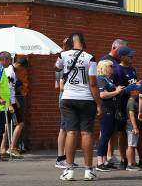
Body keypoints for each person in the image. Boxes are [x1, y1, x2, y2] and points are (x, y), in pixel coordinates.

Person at [55, 32, 101, 181]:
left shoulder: (63, 55)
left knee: (71, 133)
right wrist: (99, 104)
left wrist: (63, 48)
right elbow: (93, 83)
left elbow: (56, 68)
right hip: (86, 99)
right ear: (83, 41)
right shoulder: (90, 57)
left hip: (68, 98)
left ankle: (69, 170)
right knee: (86, 134)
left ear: (70, 42)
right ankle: (89, 170)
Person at [112, 46, 139, 169]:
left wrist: (138, 85)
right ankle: (123, 159)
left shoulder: (133, 69)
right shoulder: (117, 70)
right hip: (122, 105)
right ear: (122, 57)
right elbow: (117, 90)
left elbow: (134, 86)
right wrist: (132, 87)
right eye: (129, 56)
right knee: (122, 133)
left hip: (133, 104)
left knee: (134, 132)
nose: (132, 57)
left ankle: (133, 160)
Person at [96, 60, 125, 172]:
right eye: (111, 66)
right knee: (104, 135)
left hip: (112, 110)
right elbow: (102, 94)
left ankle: (104, 161)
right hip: (106, 110)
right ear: (104, 67)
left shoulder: (108, 79)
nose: (113, 68)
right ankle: (99, 162)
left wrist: (119, 90)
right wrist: (117, 92)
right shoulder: (101, 79)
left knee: (107, 136)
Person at [1, 57, 28, 158]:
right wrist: (10, 104)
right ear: (20, 65)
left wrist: (16, 101)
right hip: (9, 102)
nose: (22, 71)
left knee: (7, 125)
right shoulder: (10, 72)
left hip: (11, 101)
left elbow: (11, 89)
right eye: (23, 69)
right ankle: (11, 148)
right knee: (20, 124)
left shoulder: (10, 71)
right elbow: (6, 88)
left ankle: (2, 149)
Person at [55, 37, 71, 169]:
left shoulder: (61, 64)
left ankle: (65, 157)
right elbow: (59, 86)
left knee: (67, 128)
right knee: (64, 128)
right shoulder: (63, 66)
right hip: (66, 97)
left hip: (65, 97)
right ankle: (60, 158)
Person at [125, 86, 142, 171]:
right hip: (131, 127)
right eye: (137, 90)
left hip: (133, 126)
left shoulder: (134, 101)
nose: (139, 91)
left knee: (133, 145)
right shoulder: (131, 102)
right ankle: (130, 164)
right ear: (132, 92)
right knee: (131, 145)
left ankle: (133, 162)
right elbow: (131, 115)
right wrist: (135, 127)